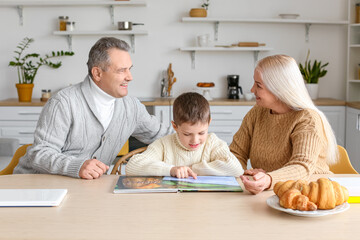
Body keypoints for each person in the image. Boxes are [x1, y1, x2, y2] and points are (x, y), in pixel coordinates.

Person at [14, 37, 172, 179]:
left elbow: (163, 135)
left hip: (82, 189)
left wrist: (195, 136)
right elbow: (40, 154)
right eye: (121, 70)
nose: (129, 77)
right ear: (97, 73)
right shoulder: (63, 102)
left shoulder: (131, 107)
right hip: (35, 184)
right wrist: (77, 166)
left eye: (130, 69)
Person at [229, 54, 338, 194]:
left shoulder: (307, 119)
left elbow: (301, 166)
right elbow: (236, 153)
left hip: (310, 191)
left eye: (258, 85)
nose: (252, 90)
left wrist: (268, 179)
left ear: (279, 88)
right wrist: (245, 173)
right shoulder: (257, 112)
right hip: (272, 192)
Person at [125, 92, 244, 178]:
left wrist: (193, 169)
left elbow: (236, 168)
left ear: (209, 122)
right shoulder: (164, 144)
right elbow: (132, 166)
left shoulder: (212, 142)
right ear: (175, 126)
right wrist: (170, 169)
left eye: (202, 133)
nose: (195, 140)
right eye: (187, 134)